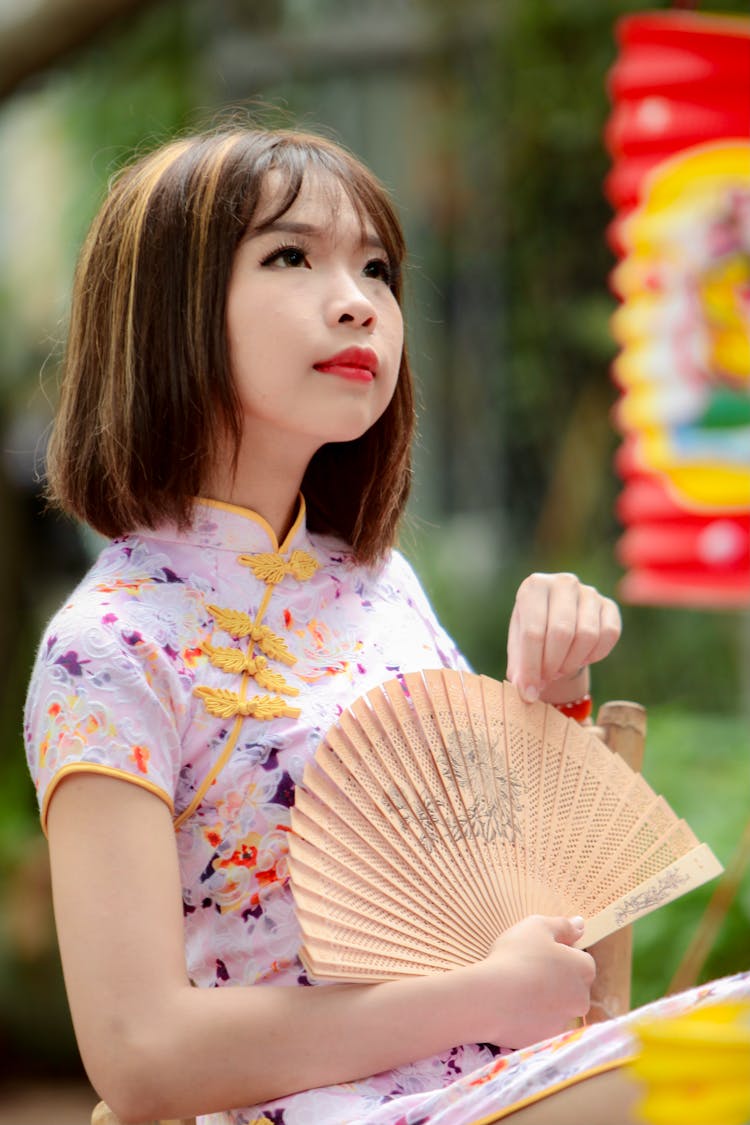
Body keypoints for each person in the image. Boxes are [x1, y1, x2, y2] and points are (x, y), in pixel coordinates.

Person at [24, 125, 748, 1125]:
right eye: (291, 256)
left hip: (491, 1083)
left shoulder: (380, 587)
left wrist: (548, 695)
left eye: (377, 266)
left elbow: (511, 897)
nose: (360, 299)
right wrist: (479, 998)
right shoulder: (109, 646)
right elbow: (142, 1057)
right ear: (165, 313)